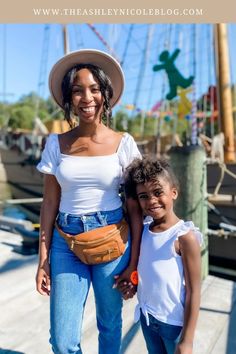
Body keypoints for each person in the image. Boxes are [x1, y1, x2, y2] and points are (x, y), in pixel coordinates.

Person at [36, 49, 143, 354]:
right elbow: (48, 203)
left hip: (113, 239)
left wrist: (134, 264)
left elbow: (135, 207)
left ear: (105, 95)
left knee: (109, 325)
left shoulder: (124, 144)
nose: (87, 98)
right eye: (78, 90)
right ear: (69, 99)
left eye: (94, 89)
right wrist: (42, 259)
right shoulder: (56, 143)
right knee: (63, 339)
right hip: (65, 243)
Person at [122, 156, 202, 354]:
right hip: (147, 319)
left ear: (173, 192)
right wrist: (131, 283)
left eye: (158, 193)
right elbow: (146, 270)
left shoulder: (184, 237)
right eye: (143, 196)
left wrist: (187, 341)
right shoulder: (143, 231)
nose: (151, 201)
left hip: (174, 325)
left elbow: (194, 291)